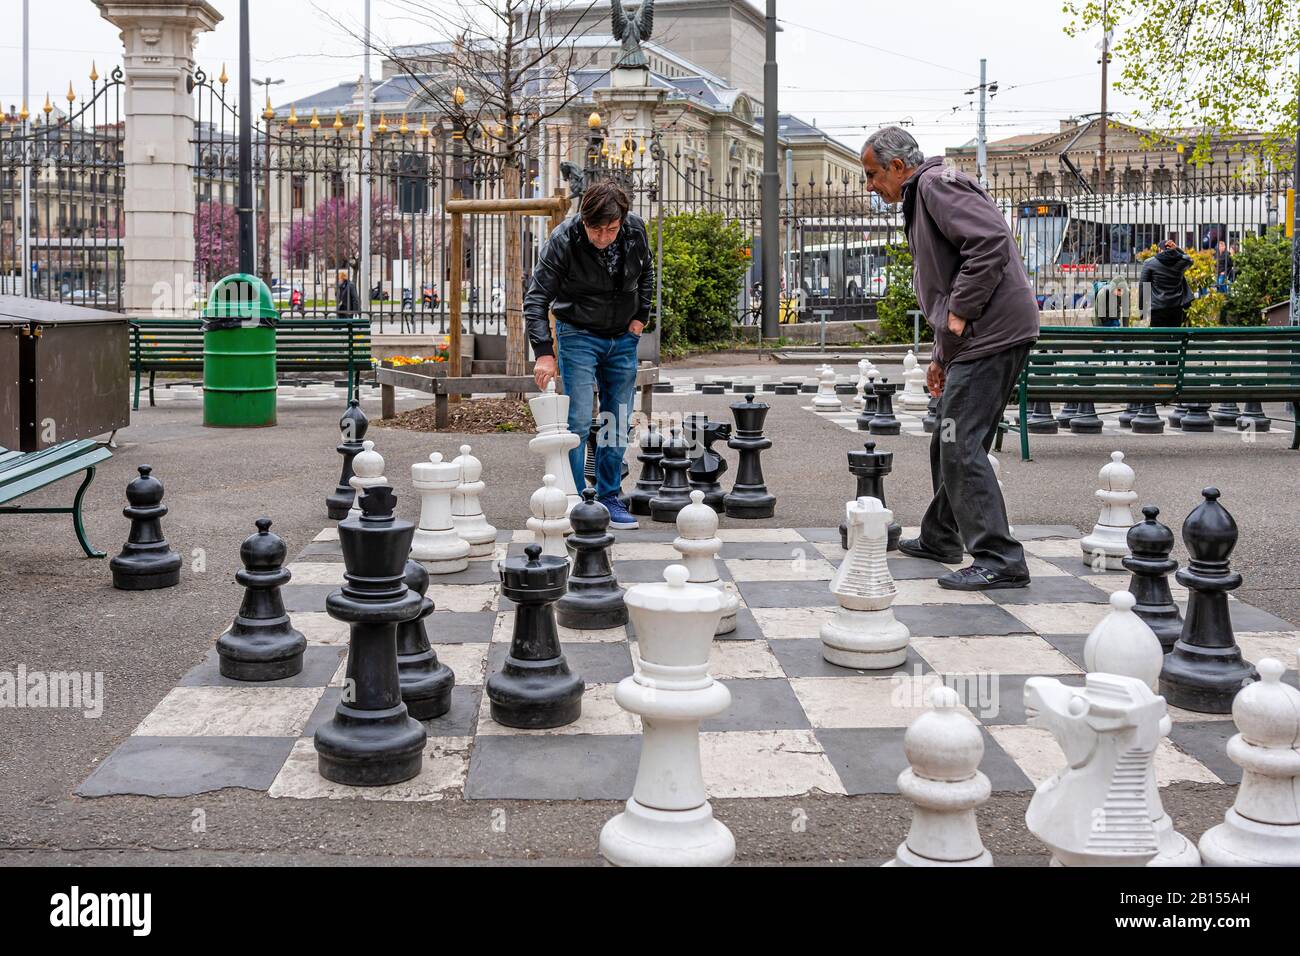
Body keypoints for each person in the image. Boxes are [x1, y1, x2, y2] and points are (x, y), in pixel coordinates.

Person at [860, 126, 1038, 591]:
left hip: (992, 333)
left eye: (872, 174)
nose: (870, 186)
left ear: (899, 167)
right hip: (982, 336)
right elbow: (946, 283)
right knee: (949, 436)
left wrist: (959, 314)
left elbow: (990, 242)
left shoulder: (937, 185)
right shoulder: (923, 194)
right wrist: (941, 355)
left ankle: (1000, 558)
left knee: (960, 443)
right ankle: (942, 536)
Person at [524, 179, 655, 530]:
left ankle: (610, 495)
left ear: (622, 221)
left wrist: (642, 317)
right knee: (579, 419)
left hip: (623, 336)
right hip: (578, 333)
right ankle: (578, 498)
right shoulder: (563, 239)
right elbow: (536, 298)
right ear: (584, 220)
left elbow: (646, 274)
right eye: (595, 229)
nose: (602, 237)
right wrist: (544, 353)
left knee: (618, 418)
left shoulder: (635, 230)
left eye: (611, 229)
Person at [1139, 240, 1192, 326]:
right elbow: (1189, 259)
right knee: (1174, 337)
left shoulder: (1150, 263)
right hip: (1176, 308)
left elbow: (1143, 287)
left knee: (1159, 337)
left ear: (1159, 250)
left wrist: (1142, 309)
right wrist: (1177, 248)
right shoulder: (1180, 262)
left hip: (1158, 308)